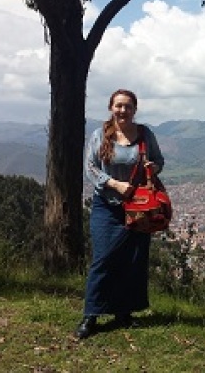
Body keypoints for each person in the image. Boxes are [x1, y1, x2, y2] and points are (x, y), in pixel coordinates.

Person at [75, 88, 165, 339]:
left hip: (138, 207)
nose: (123, 110)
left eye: (127, 106)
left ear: (135, 109)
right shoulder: (99, 135)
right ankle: (91, 315)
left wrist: (153, 167)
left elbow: (160, 161)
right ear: (111, 108)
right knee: (103, 259)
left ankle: (124, 312)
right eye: (119, 106)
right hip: (107, 204)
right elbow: (90, 167)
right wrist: (114, 184)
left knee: (133, 260)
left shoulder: (145, 134)